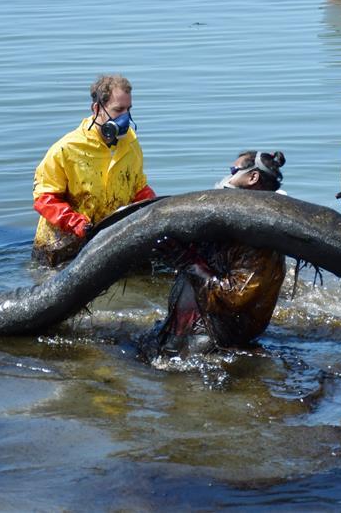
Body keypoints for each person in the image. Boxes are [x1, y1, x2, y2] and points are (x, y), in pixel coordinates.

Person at [142, 150, 287, 357]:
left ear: (252, 177)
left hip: (215, 339)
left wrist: (191, 264)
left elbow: (234, 299)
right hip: (190, 327)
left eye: (233, 170)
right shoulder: (228, 223)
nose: (227, 177)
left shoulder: (259, 239)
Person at [32, 74, 155, 266]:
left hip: (105, 245)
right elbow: (44, 199)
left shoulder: (131, 145)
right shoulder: (66, 149)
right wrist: (76, 223)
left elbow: (138, 190)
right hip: (60, 250)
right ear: (97, 109)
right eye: (118, 110)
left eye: (128, 110)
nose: (125, 118)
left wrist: (156, 208)